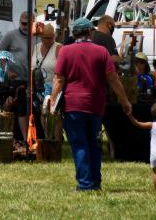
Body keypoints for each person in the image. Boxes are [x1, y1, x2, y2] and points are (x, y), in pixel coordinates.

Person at [47, 17, 132, 191]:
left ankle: (85, 184)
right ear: (89, 32)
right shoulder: (101, 52)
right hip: (95, 105)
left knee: (79, 144)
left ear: (75, 33)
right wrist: (125, 100)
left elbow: (59, 79)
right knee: (94, 143)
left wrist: (53, 101)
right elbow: (113, 79)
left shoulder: (65, 51)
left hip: (73, 105)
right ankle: (95, 181)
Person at [0, 11, 35, 143]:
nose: (25, 26)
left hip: (32, 79)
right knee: (21, 107)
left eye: (28, 24)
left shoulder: (36, 36)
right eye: (23, 23)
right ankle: (24, 139)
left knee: (32, 108)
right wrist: (6, 70)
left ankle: (33, 136)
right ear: (19, 22)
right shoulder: (11, 35)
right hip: (15, 80)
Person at [33, 24, 62, 140]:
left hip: (54, 86)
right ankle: (47, 138)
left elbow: (62, 70)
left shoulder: (59, 48)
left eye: (51, 37)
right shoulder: (36, 47)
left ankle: (57, 142)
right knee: (43, 113)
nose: (49, 40)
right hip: (39, 87)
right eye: (46, 38)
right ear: (41, 37)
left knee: (55, 115)